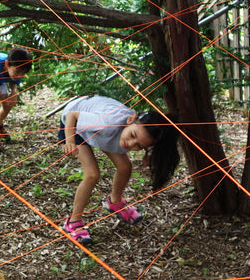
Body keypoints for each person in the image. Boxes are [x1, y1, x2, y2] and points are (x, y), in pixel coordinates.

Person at [58, 95, 179, 245]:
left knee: (125, 167)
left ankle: (114, 202)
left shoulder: (130, 132)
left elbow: (137, 141)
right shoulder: (107, 123)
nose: (130, 144)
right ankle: (73, 222)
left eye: (139, 146)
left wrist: (149, 155)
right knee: (92, 174)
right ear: (130, 120)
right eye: (133, 135)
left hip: (104, 133)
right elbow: (72, 116)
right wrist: (70, 141)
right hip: (73, 125)